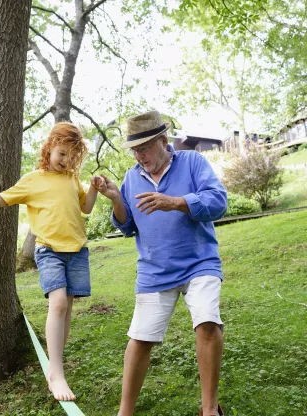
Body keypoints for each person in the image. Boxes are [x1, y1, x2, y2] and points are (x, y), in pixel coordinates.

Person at [0, 122, 100, 402]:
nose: (66, 160)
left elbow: (85, 208)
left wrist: (96, 188)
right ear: (49, 148)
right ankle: (56, 372)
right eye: (62, 153)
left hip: (77, 250)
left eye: (73, 157)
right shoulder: (33, 179)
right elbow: (2, 199)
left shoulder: (72, 180)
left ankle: (56, 364)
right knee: (58, 303)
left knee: (68, 307)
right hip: (49, 249)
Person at [94, 110, 227, 416]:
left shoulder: (192, 162)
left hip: (199, 262)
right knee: (140, 340)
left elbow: (218, 201)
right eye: (135, 150)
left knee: (207, 322)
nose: (140, 156)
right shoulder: (131, 178)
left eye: (145, 148)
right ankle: (123, 413)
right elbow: (128, 227)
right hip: (155, 270)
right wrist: (116, 198)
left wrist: (177, 202)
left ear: (164, 141)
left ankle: (209, 409)